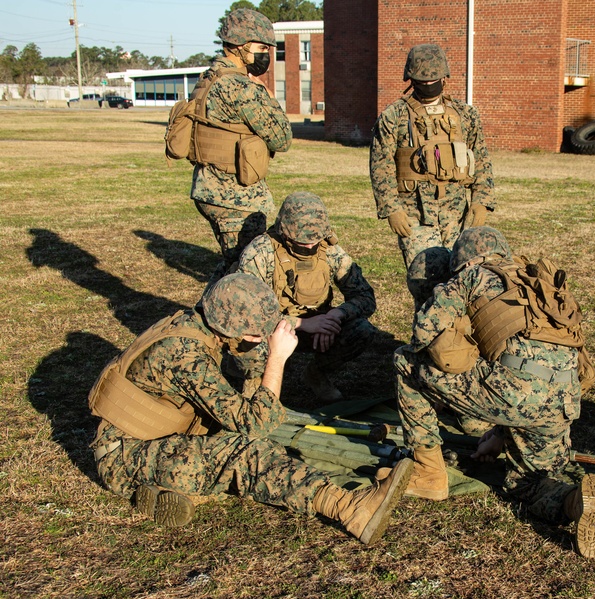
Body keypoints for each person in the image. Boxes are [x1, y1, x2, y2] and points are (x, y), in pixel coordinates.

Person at [87, 273, 411, 545]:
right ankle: (348, 507)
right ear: (232, 328)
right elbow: (257, 424)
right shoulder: (184, 355)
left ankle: (175, 488)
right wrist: (277, 358)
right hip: (124, 456)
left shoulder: (199, 323)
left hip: (153, 440)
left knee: (238, 440)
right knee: (247, 451)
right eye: (256, 334)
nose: (260, 339)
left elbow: (246, 388)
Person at [393, 227, 595, 558]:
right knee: (528, 483)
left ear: (462, 261)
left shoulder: (471, 276)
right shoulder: (537, 281)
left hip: (512, 394)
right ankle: (572, 501)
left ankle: (428, 474)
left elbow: (424, 333)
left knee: (406, 361)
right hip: (564, 400)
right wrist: (500, 433)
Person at [235, 192, 378, 403]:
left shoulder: (330, 251)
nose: (310, 246)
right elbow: (246, 314)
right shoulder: (260, 253)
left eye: (315, 239)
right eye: (302, 240)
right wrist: (302, 323)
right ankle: (256, 386)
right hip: (272, 330)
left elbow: (365, 296)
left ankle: (317, 374)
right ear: (284, 231)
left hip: (319, 327)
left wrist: (336, 316)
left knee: (361, 331)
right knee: (249, 339)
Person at [369, 43, 496, 272]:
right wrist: (391, 209)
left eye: (433, 79)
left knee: (463, 276)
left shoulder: (465, 115)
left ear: (445, 77)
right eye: (422, 80)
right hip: (415, 216)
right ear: (411, 79)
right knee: (424, 281)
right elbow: (381, 165)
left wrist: (482, 201)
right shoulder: (393, 116)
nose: (428, 84)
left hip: (457, 214)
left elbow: (481, 158)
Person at [188, 8, 292, 283]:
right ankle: (207, 320)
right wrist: (269, 98)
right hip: (234, 195)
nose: (265, 55)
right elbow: (282, 138)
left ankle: (207, 317)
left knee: (234, 263)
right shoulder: (241, 88)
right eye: (261, 47)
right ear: (240, 46)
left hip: (211, 187)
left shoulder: (208, 79)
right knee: (248, 273)